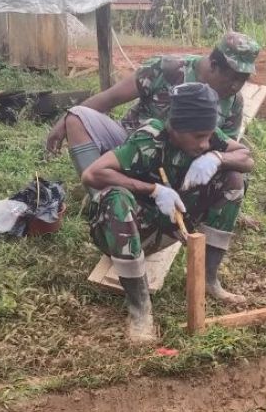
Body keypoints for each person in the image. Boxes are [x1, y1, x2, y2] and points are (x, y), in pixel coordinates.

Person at [82, 83, 254, 343]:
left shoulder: (205, 133)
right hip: (129, 230)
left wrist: (218, 158)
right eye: (198, 137)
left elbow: (246, 158)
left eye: (208, 136)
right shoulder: (149, 138)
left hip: (172, 222)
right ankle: (140, 309)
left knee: (233, 179)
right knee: (115, 198)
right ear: (176, 127)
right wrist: (152, 190)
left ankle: (209, 280)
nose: (205, 143)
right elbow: (92, 173)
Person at [47, 32, 261, 178]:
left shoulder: (233, 102)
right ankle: (101, 193)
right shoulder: (167, 69)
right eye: (233, 78)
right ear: (214, 65)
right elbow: (110, 98)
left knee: (233, 174)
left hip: (180, 168)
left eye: (243, 79)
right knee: (78, 116)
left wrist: (216, 159)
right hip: (130, 147)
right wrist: (65, 120)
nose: (236, 86)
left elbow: (228, 148)